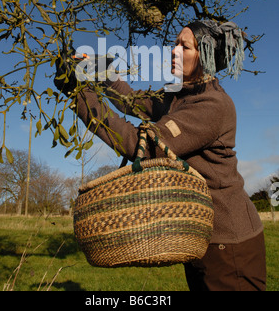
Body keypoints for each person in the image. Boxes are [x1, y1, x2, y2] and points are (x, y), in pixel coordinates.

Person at [54, 19, 266, 292]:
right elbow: (130, 99)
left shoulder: (211, 104)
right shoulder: (178, 95)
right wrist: (93, 68)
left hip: (230, 244)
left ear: (206, 57)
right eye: (175, 43)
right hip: (200, 235)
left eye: (184, 47)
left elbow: (139, 143)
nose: (174, 51)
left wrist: (80, 94)